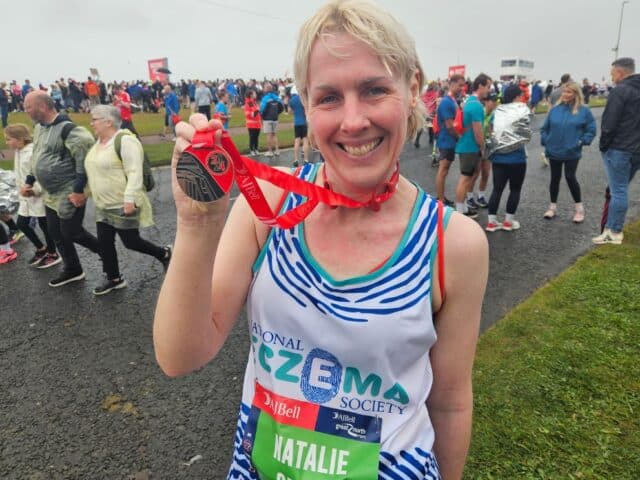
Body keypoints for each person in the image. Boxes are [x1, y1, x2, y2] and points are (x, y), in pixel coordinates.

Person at [154, 1, 488, 478]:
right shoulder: (266, 206)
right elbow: (179, 356)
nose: (353, 121)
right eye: (329, 97)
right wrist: (197, 222)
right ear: (306, 103)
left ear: (413, 88)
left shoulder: (453, 242)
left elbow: (451, 403)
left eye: (374, 90)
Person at [85, 105, 171, 295]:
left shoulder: (125, 141)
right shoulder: (97, 143)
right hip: (103, 205)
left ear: (108, 121)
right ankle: (114, 278)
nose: (91, 123)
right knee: (104, 242)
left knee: (131, 242)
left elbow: (134, 172)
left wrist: (129, 198)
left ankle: (164, 253)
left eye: (95, 119)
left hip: (122, 202)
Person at [22, 90, 101, 287]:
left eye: (28, 107)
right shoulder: (39, 128)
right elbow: (37, 156)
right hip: (50, 194)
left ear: (42, 106)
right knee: (55, 232)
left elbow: (84, 161)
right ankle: (73, 269)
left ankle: (105, 250)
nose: (26, 111)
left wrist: (78, 190)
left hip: (69, 190)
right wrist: (29, 180)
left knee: (72, 232)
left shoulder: (69, 130)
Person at [593, 57, 640, 245]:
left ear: (620, 72)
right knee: (619, 190)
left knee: (618, 190)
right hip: (636, 149)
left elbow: (609, 123)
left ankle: (614, 231)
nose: (612, 77)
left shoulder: (620, 91)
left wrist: (604, 145)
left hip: (620, 148)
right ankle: (611, 228)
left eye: (613, 73)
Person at [540, 82, 596, 223]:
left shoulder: (584, 111)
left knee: (570, 177)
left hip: (572, 151)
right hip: (554, 151)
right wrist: (547, 141)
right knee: (554, 178)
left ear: (576, 94)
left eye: (569, 92)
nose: (565, 94)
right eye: (564, 91)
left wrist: (581, 141)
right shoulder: (555, 110)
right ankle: (552, 207)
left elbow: (591, 129)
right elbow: (544, 129)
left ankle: (579, 209)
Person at [6, 124, 59, 267]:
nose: (7, 142)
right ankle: (42, 249)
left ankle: (53, 253)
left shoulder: (31, 153)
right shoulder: (18, 151)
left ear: (20, 139)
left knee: (44, 225)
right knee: (22, 224)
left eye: (9, 139)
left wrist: (35, 190)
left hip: (38, 196)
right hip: (25, 197)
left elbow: (41, 174)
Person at [485, 85, 532, 232]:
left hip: (499, 158)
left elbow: (490, 129)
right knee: (515, 190)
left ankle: (491, 222)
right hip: (517, 158)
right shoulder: (522, 109)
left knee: (497, 190)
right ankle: (508, 222)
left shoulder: (497, 110)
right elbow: (526, 133)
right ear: (517, 96)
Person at [454, 73, 492, 218]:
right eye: (487, 86)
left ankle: (463, 208)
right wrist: (483, 148)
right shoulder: (476, 106)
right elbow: (478, 131)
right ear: (480, 86)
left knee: (469, 177)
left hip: (466, 145)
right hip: (470, 147)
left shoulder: (469, 101)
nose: (489, 90)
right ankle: (459, 211)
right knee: (465, 178)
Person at [434, 74, 465, 206]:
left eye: (463, 85)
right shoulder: (447, 102)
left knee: (444, 170)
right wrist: (460, 139)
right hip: (446, 140)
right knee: (443, 169)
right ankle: (440, 200)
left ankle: (441, 198)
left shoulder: (451, 100)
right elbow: (449, 125)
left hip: (448, 140)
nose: (461, 88)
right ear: (451, 84)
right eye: (459, 85)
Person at [260, 83, 284, 157]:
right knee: (274, 135)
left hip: (267, 119)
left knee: (269, 135)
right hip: (275, 118)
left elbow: (262, 109)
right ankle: (277, 150)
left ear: (266, 89)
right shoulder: (276, 97)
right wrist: (277, 113)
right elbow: (282, 106)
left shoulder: (265, 98)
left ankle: (270, 151)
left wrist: (262, 116)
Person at [288, 86, 310, 167]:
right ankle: (306, 159)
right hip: (303, 122)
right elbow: (306, 110)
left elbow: (289, 111)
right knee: (305, 140)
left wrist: (295, 112)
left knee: (297, 140)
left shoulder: (292, 100)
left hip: (296, 123)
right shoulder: (303, 99)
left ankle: (296, 159)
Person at [244, 89, 262, 156]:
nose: (256, 95)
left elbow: (257, 112)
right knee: (252, 137)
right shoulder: (248, 103)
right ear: (251, 95)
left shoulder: (254, 102)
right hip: (251, 124)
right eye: (254, 93)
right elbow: (250, 114)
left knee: (256, 137)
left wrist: (258, 110)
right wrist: (257, 110)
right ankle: (251, 149)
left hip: (257, 123)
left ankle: (256, 149)